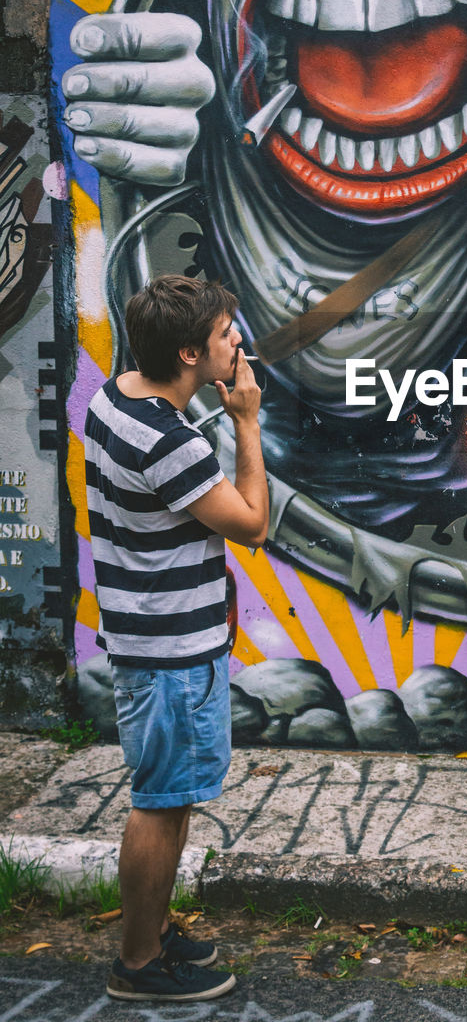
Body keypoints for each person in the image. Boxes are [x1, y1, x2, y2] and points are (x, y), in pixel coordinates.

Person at [84, 274, 269, 1003]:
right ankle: (137, 962)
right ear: (191, 353)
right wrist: (247, 422)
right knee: (161, 800)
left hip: (146, 635)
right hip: (171, 652)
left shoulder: (114, 395)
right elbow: (252, 524)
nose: (239, 345)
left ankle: (153, 930)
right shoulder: (174, 445)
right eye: (227, 336)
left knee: (171, 791)